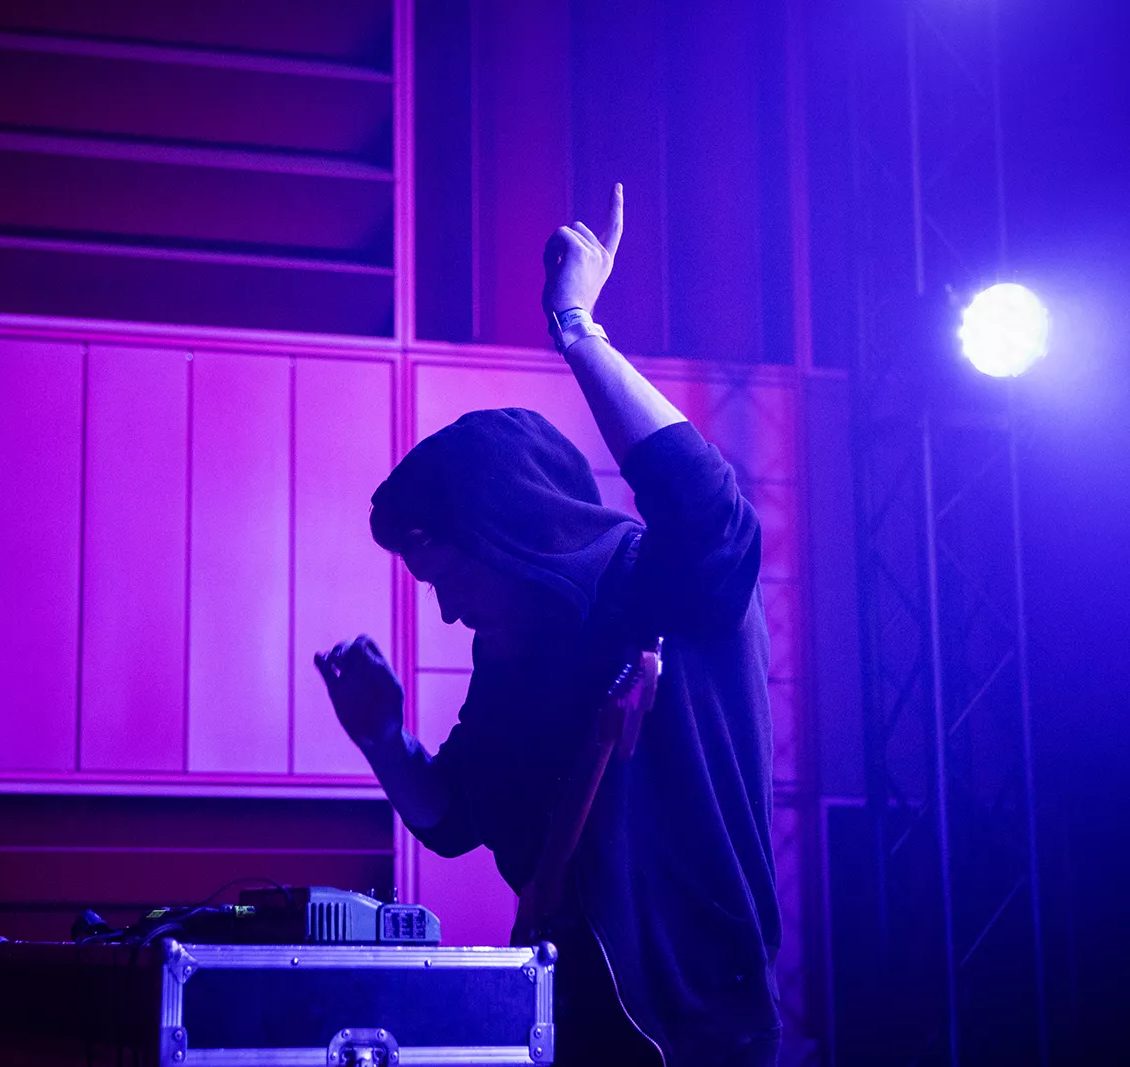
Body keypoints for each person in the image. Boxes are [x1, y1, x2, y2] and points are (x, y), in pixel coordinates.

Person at [314, 184, 781, 1067]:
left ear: (510, 533)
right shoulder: (512, 658)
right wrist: (382, 736)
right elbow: (453, 814)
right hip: (567, 1024)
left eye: (448, 575)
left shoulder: (665, 580)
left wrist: (576, 326)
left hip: (696, 1032)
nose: (446, 609)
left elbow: (708, 505)